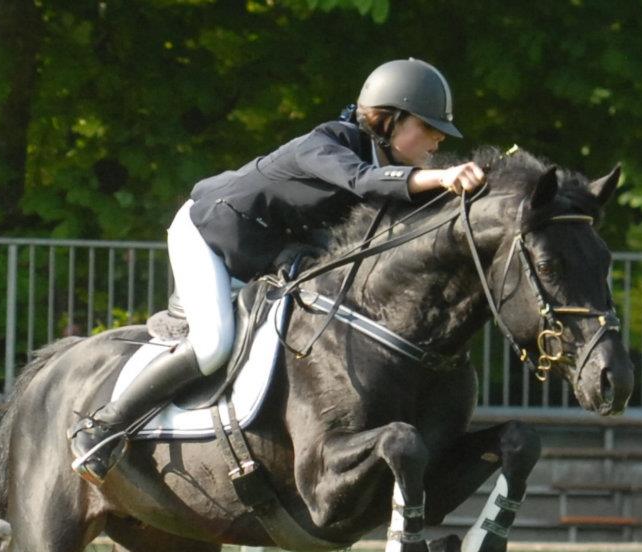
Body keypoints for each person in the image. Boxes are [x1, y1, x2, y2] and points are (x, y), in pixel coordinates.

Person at [69, 58, 488, 484]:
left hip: (270, 253)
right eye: (429, 126)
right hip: (210, 235)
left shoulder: (384, 164)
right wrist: (440, 176)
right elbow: (364, 181)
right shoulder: (327, 144)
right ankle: (104, 427)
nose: (437, 140)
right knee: (213, 344)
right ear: (389, 119)